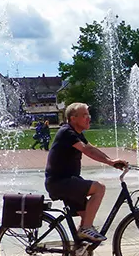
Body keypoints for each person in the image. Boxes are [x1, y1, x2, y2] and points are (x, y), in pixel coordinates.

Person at [45, 103, 127, 245]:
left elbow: (91, 148)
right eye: (85, 115)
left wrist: (112, 161)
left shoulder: (76, 133)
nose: (89, 118)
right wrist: (110, 163)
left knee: (86, 215)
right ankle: (86, 229)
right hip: (60, 182)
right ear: (73, 118)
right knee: (99, 188)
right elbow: (86, 151)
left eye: (88, 115)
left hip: (68, 181)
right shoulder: (67, 132)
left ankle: (79, 251)